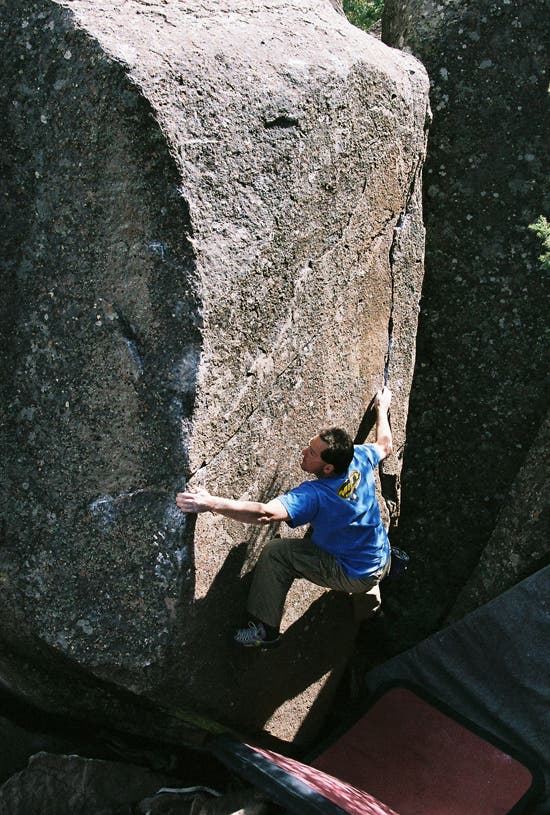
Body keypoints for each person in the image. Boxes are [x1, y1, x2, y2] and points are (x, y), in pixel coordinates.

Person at [175, 387, 393, 648]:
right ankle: (370, 605)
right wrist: (382, 409)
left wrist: (210, 503)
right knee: (342, 539)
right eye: (310, 445)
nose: (304, 451)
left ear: (328, 468)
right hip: (381, 555)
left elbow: (266, 514)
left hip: (354, 571)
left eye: (312, 453)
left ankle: (263, 632)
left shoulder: (316, 495)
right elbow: (385, 446)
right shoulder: (358, 456)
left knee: (278, 552)